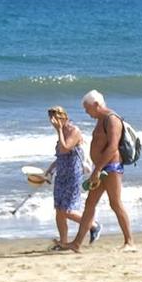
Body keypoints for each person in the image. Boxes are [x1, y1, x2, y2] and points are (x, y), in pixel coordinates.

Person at [67, 89, 134, 251]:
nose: (86, 112)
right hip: (101, 168)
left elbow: (112, 147)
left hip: (111, 168)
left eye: (87, 108)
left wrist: (97, 170)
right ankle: (76, 244)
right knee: (90, 203)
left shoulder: (112, 119)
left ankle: (130, 242)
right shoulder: (101, 119)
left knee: (116, 203)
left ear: (96, 105)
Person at [44, 105, 99, 251]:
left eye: (55, 119)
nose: (53, 122)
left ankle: (93, 225)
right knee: (58, 210)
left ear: (64, 117)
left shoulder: (74, 131)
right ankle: (63, 242)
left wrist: (59, 130)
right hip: (61, 174)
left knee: (67, 210)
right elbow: (60, 156)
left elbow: (65, 148)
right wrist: (50, 169)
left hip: (73, 174)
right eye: (51, 119)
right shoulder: (61, 132)